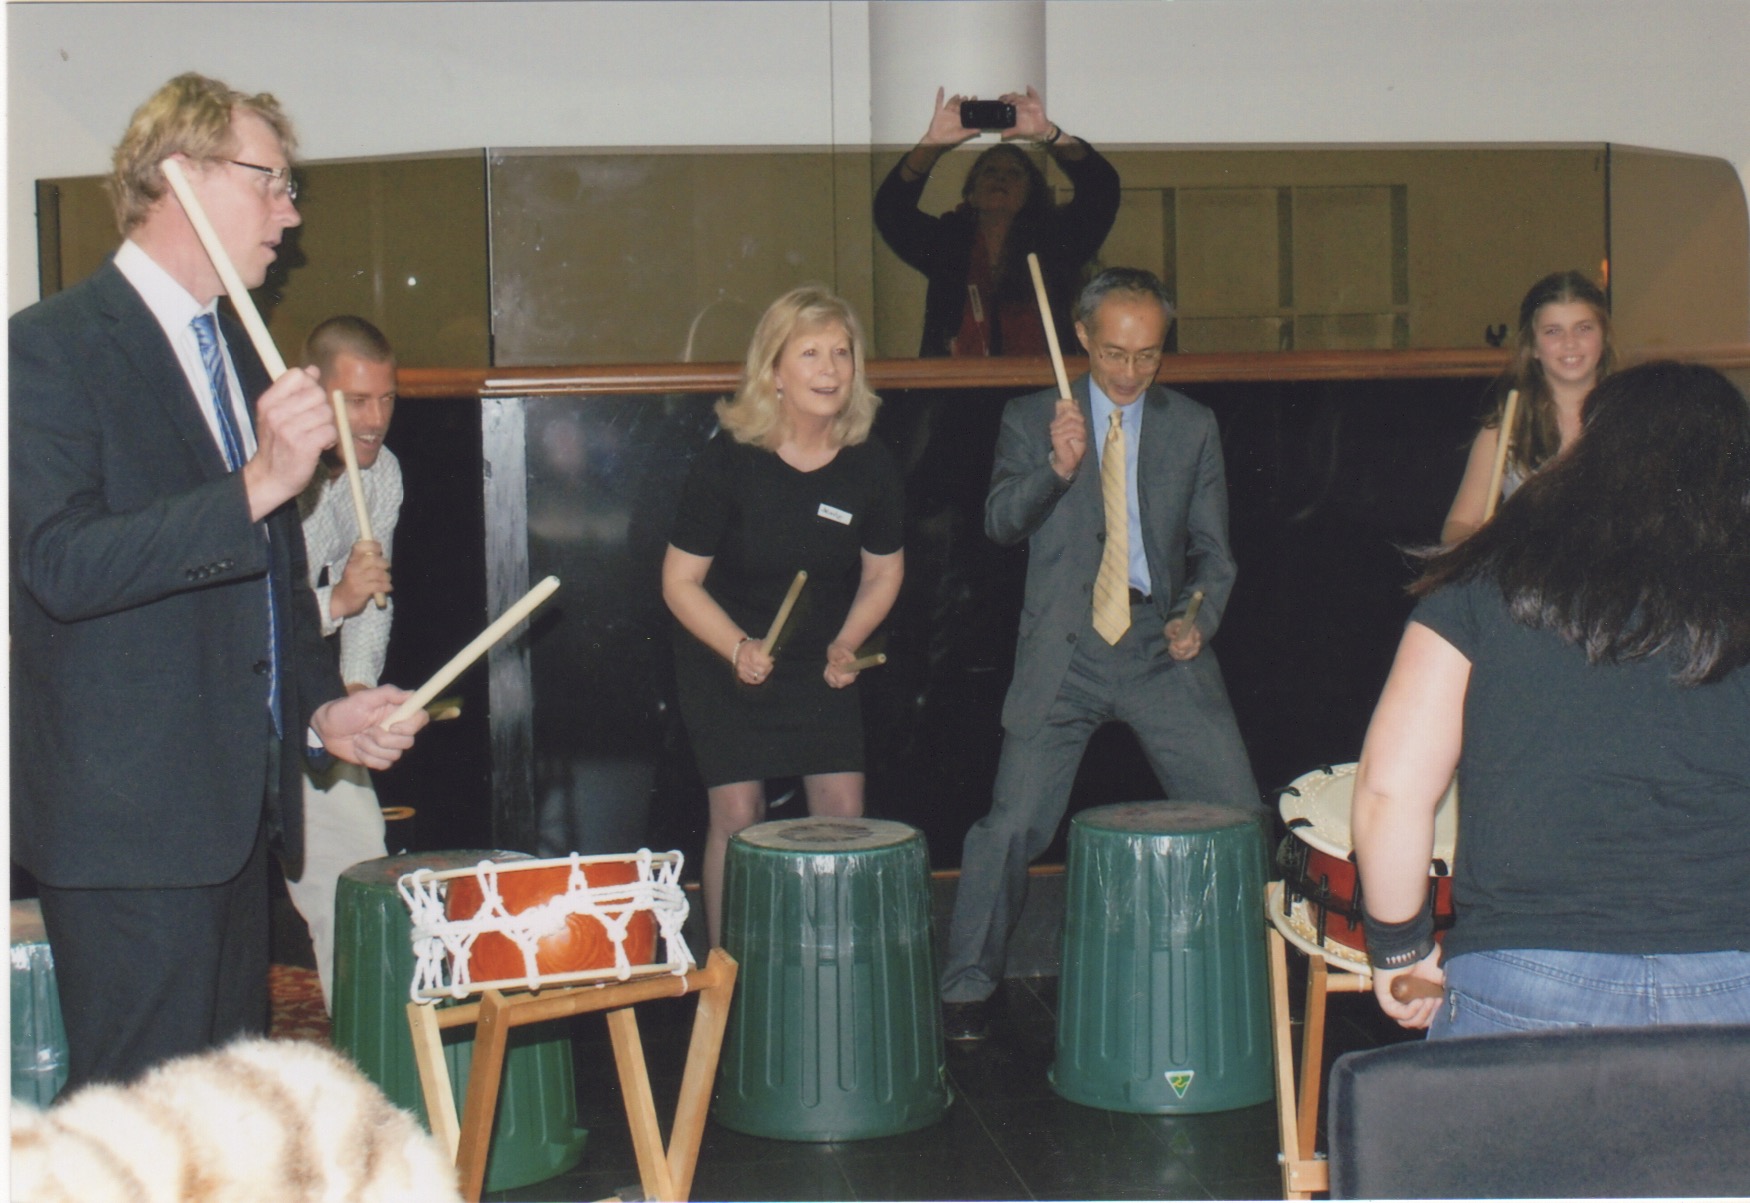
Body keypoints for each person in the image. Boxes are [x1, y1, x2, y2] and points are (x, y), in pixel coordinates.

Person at [9, 73, 427, 1091]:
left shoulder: (235, 358)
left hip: (237, 826)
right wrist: (255, 485)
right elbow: (58, 566)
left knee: (223, 1131)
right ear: (178, 177)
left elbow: (269, 591)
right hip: (129, 831)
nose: (290, 213)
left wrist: (323, 710)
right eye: (271, 182)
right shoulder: (50, 347)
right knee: (142, 1143)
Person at [1354, 360, 1750, 1037]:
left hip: (1525, 978)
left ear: (1587, 448)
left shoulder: (1485, 576)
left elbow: (1390, 790)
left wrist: (1400, 945)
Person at [940, 268, 1262, 1041]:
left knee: (1242, 815)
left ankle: (1255, 970)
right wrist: (1055, 470)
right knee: (1012, 822)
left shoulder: (1193, 426)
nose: (1130, 372)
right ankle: (966, 985)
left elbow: (1215, 556)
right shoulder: (1032, 417)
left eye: (1149, 355)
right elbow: (998, 523)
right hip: (1068, 646)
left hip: (1159, 645)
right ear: (1081, 337)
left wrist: (1197, 616)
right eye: (1115, 352)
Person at [661, 286, 905, 945]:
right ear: (773, 370)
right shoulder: (727, 459)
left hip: (819, 655)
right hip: (724, 651)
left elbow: (884, 572)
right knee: (739, 814)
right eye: (810, 353)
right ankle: (729, 973)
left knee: (843, 813)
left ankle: (830, 969)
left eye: (841, 353)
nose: (830, 369)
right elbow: (679, 582)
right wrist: (738, 646)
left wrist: (850, 640)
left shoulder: (870, 464)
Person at [286, 315, 403, 1011]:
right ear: (313, 394)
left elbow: (375, 592)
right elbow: (254, 618)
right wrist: (338, 598)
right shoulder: (274, 472)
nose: (376, 418)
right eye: (357, 400)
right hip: (225, 707)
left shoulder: (382, 473)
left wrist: (356, 685)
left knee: (358, 870)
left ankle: (368, 1069)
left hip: (311, 700)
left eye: (387, 398)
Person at [874, 87, 1120, 358]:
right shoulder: (948, 242)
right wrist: (931, 144)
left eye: (1014, 174)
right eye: (990, 171)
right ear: (971, 192)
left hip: (1041, 392)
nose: (1000, 179)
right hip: (955, 392)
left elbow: (1102, 190)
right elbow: (891, 210)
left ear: (1030, 193)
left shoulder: (1054, 240)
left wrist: (1049, 133)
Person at [1441, 271, 1614, 542]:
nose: (1570, 342)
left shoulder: (1633, 420)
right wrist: (1479, 545)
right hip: (1526, 579)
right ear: (1533, 346)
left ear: (1603, 338)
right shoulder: (1505, 432)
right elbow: (1458, 525)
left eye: (1584, 328)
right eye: (1553, 331)